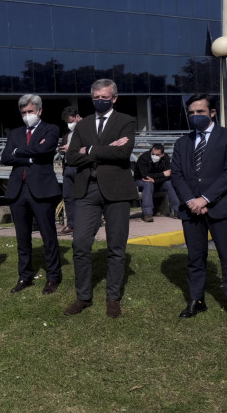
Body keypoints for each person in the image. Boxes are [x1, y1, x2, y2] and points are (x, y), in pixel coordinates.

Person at [64, 79, 138, 318]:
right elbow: (72, 158)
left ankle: (113, 297)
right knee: (80, 244)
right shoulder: (83, 124)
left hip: (117, 191)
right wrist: (103, 148)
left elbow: (123, 152)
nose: (99, 100)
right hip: (87, 190)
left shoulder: (126, 121)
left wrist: (91, 149)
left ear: (114, 98)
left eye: (104, 97)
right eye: (95, 97)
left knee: (116, 247)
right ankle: (83, 296)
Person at [170, 94, 227, 325]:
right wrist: (191, 201)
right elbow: (177, 174)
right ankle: (197, 300)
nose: (195, 116)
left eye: (200, 112)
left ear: (212, 112)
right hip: (190, 210)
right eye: (192, 113)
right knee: (195, 258)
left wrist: (204, 199)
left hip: (221, 208)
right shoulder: (182, 142)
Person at [1, 95, 63, 295]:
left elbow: (45, 150)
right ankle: (24, 276)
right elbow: (5, 158)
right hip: (19, 190)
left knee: (48, 235)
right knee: (22, 237)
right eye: (24, 112)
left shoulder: (51, 129)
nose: (27, 116)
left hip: (42, 190)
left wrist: (18, 153)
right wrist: (29, 156)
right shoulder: (15, 132)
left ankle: (53, 276)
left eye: (30, 111)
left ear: (39, 111)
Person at [134, 143, 180, 222]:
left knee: (169, 183)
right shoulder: (144, 158)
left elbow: (168, 175)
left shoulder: (166, 158)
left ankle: (177, 210)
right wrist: (162, 174)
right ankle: (147, 214)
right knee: (148, 184)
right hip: (141, 181)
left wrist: (155, 180)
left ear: (162, 154)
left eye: (157, 154)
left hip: (157, 182)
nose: (154, 156)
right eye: (153, 154)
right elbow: (145, 176)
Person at [58, 107, 82, 234]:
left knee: (82, 197)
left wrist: (72, 149)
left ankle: (85, 223)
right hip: (68, 167)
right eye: (67, 122)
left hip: (80, 167)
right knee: (68, 197)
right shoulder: (67, 132)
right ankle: (71, 224)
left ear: (77, 117)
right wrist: (62, 150)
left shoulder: (87, 129)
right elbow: (62, 146)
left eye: (71, 121)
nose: (70, 124)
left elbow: (90, 147)